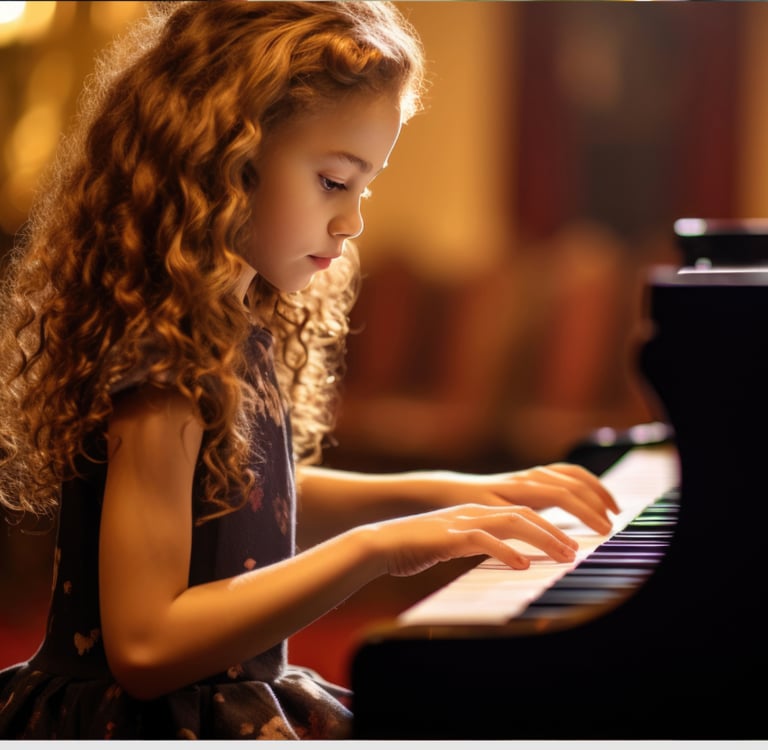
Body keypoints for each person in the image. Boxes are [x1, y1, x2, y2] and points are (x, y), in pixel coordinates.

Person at [0, 0, 619, 740]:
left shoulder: (236, 324)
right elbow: (145, 646)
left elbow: (248, 497)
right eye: (334, 181)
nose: (353, 220)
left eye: (365, 186)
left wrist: (455, 493)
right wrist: (375, 549)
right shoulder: (162, 365)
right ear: (224, 158)